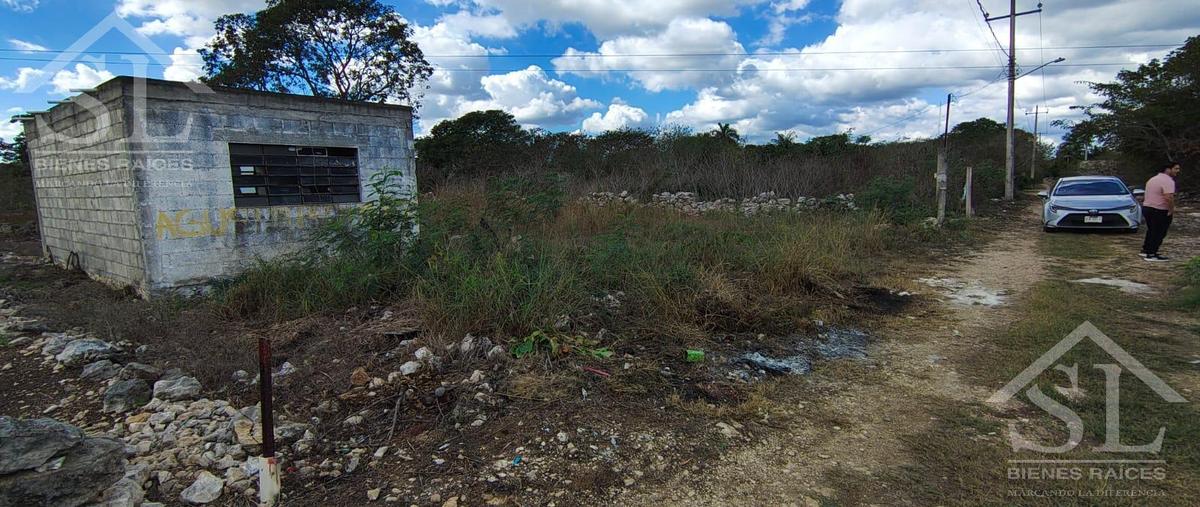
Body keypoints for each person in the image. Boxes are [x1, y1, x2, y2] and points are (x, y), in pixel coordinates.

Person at [1140, 161, 1181, 262]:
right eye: (1176, 168)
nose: (1178, 171)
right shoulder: (1168, 181)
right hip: (1159, 209)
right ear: (1168, 169)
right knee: (1159, 232)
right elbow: (1169, 197)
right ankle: (1151, 254)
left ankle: (1146, 250)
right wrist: (1171, 210)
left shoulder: (1153, 179)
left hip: (1147, 208)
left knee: (1152, 230)